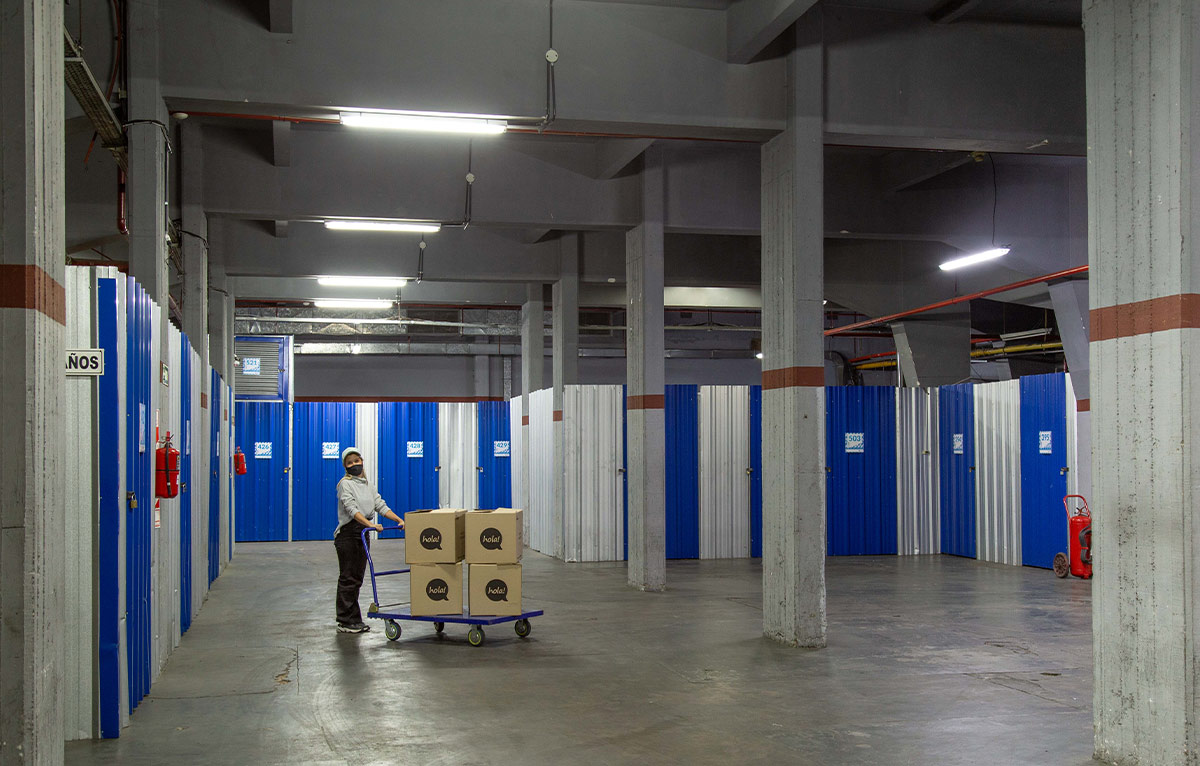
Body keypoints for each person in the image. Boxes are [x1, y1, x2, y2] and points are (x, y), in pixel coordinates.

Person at [334, 447, 404, 634]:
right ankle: (345, 621)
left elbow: (380, 505)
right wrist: (370, 525)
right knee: (348, 577)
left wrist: (397, 519)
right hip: (348, 534)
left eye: (357, 460)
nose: (355, 464)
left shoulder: (367, 484)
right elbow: (351, 509)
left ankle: (353, 619)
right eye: (350, 463)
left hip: (363, 532)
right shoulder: (344, 484)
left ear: (362, 461)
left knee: (357, 578)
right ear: (345, 467)